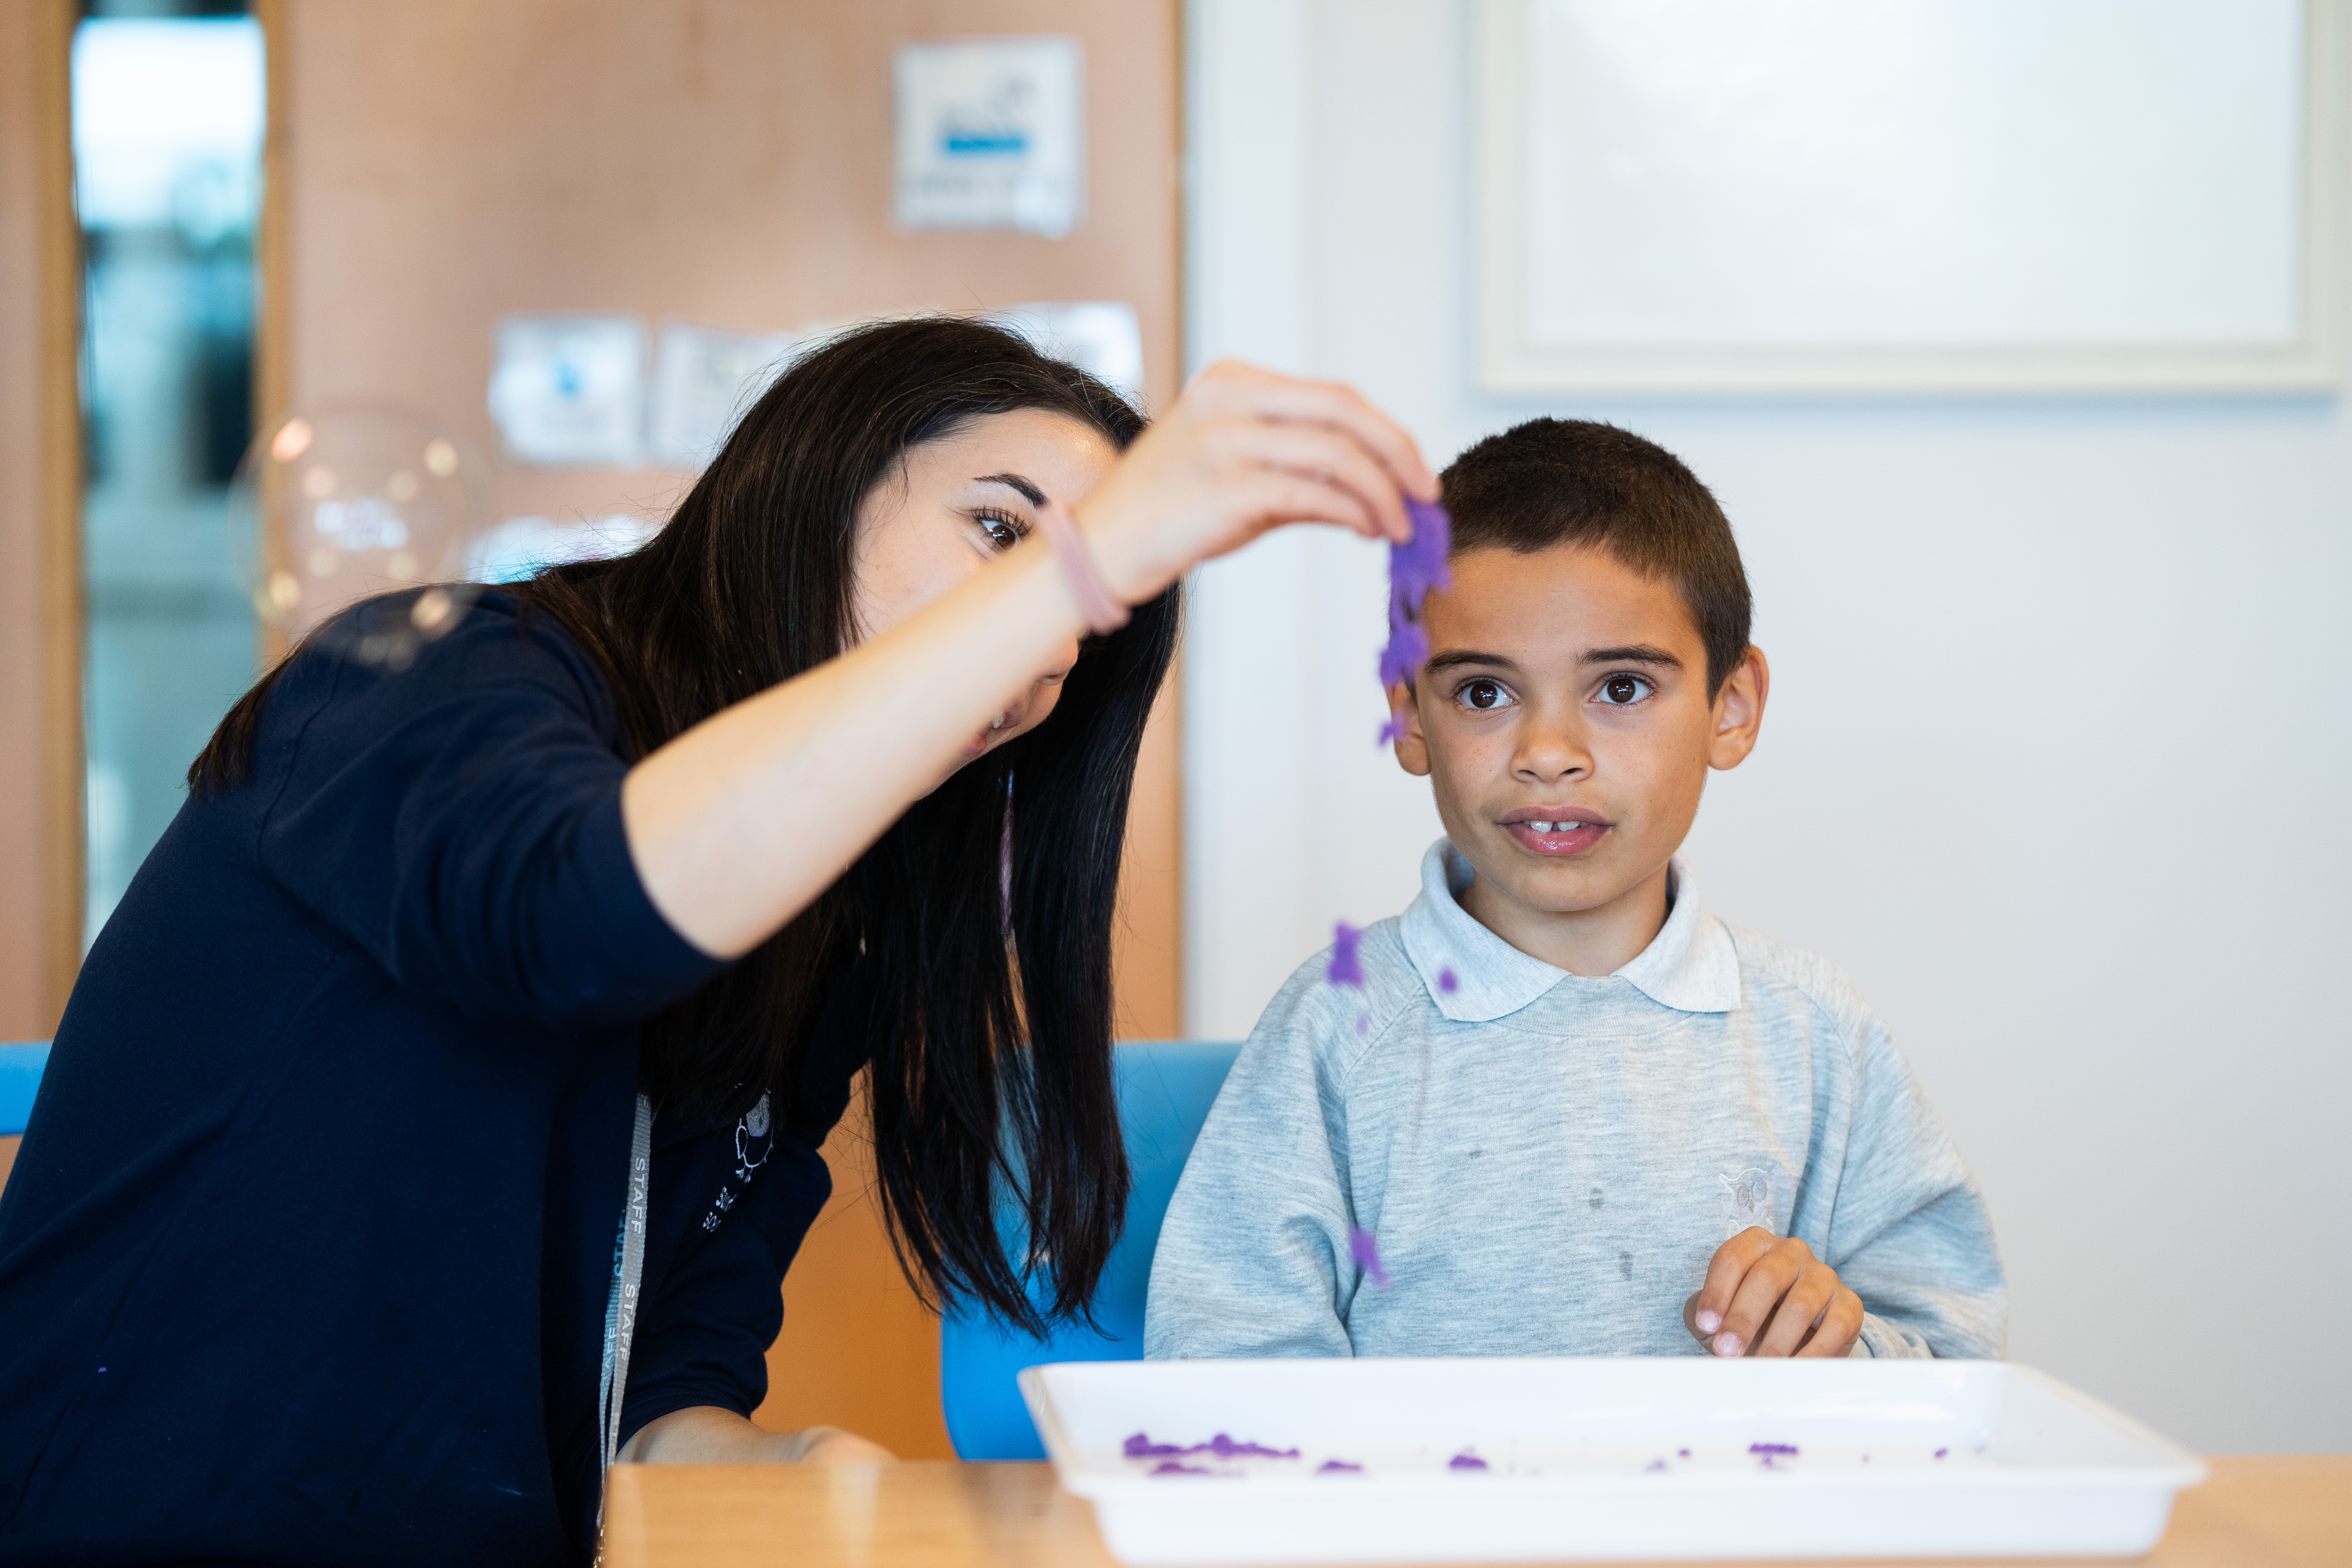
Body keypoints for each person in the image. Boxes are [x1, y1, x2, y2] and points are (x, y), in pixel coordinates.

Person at [0, 317, 1437, 1568]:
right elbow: (582, 915)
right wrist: (1089, 556)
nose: (1051, 654)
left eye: (1090, 627)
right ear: (819, 473)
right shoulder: (446, 683)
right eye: (1000, 530)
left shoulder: (828, 933)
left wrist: (802, 1478)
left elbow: (653, 1398)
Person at [1145, 418, 2005, 1364]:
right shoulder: (1334, 1027)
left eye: (1623, 688)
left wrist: (1839, 1348)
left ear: (1731, 706)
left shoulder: (1815, 1034)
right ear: (1409, 717)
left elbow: (1957, 1363)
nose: (1548, 753)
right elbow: (1222, 1360)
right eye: (1483, 693)